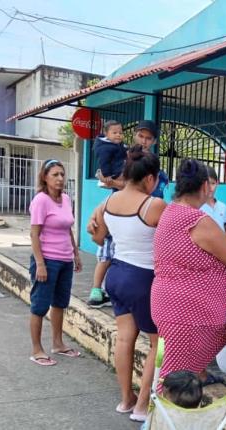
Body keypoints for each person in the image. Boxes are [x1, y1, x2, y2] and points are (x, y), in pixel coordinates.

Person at [151, 159, 226, 384]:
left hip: (174, 307)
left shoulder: (171, 211)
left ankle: (163, 415)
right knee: (176, 381)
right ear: (204, 186)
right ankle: (164, 417)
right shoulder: (196, 220)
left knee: (176, 373)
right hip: (187, 313)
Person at [90, 145, 167, 422]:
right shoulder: (153, 204)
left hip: (116, 274)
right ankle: (142, 405)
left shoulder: (107, 203)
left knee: (124, 339)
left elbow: (98, 239)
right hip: (143, 278)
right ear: (149, 178)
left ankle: (126, 399)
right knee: (157, 342)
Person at [87, 119, 169, 308]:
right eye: (141, 136)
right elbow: (115, 194)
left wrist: (113, 184)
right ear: (134, 136)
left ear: (154, 141)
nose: (144, 141)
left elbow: (142, 194)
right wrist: (96, 214)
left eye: (149, 138)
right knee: (107, 252)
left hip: (143, 232)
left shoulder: (157, 171)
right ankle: (97, 290)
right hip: (122, 224)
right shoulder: (122, 159)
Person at [28, 159, 83, 366]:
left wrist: (75, 254)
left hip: (65, 259)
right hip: (47, 260)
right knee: (39, 305)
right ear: (45, 177)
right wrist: (40, 264)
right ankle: (36, 349)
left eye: (62, 174)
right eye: (55, 175)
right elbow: (34, 235)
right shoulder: (41, 200)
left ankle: (58, 344)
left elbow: (68, 228)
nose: (60, 179)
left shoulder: (66, 199)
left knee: (60, 303)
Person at [200, 166, 226, 238]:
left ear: (217, 183)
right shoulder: (197, 207)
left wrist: (221, 240)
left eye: (213, 183)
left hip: (221, 247)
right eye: (207, 184)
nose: (210, 187)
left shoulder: (223, 207)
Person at [94, 120, 127, 190]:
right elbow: (103, 162)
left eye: (120, 133)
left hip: (118, 169)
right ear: (106, 134)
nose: (118, 135)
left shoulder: (116, 144)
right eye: (114, 133)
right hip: (114, 173)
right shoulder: (104, 148)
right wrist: (107, 175)